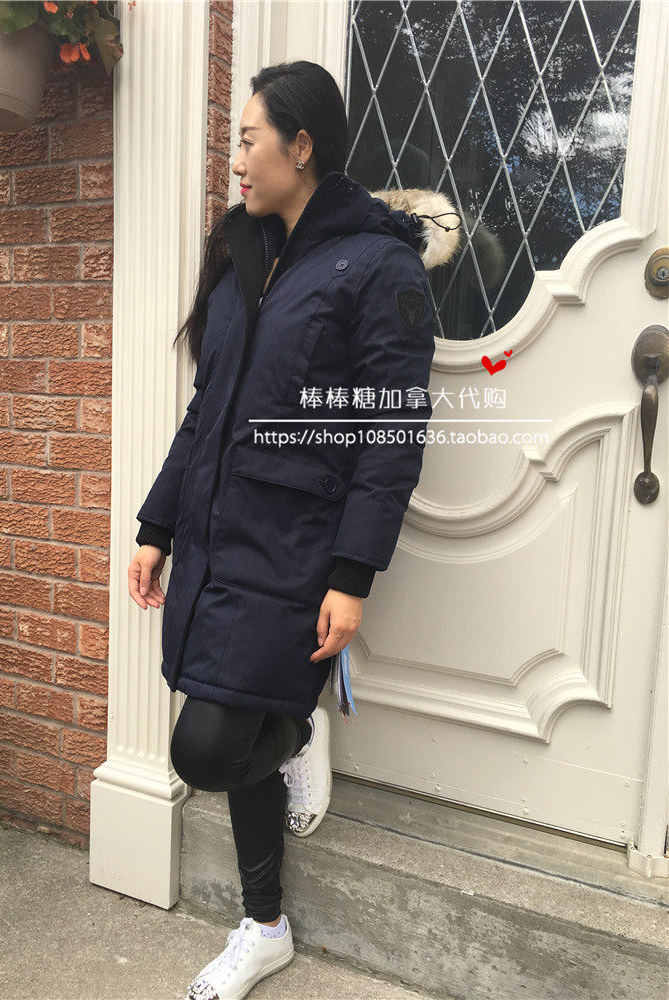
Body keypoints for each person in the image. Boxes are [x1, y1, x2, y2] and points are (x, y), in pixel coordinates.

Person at [127, 60, 458, 1000]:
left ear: (301, 146)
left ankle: (297, 727)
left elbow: (391, 434)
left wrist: (352, 575)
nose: (234, 160)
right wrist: (157, 523)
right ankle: (264, 925)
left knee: (208, 747)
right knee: (228, 716)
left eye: (248, 139)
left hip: (296, 547)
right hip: (216, 531)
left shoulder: (380, 266)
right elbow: (205, 411)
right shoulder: (241, 256)